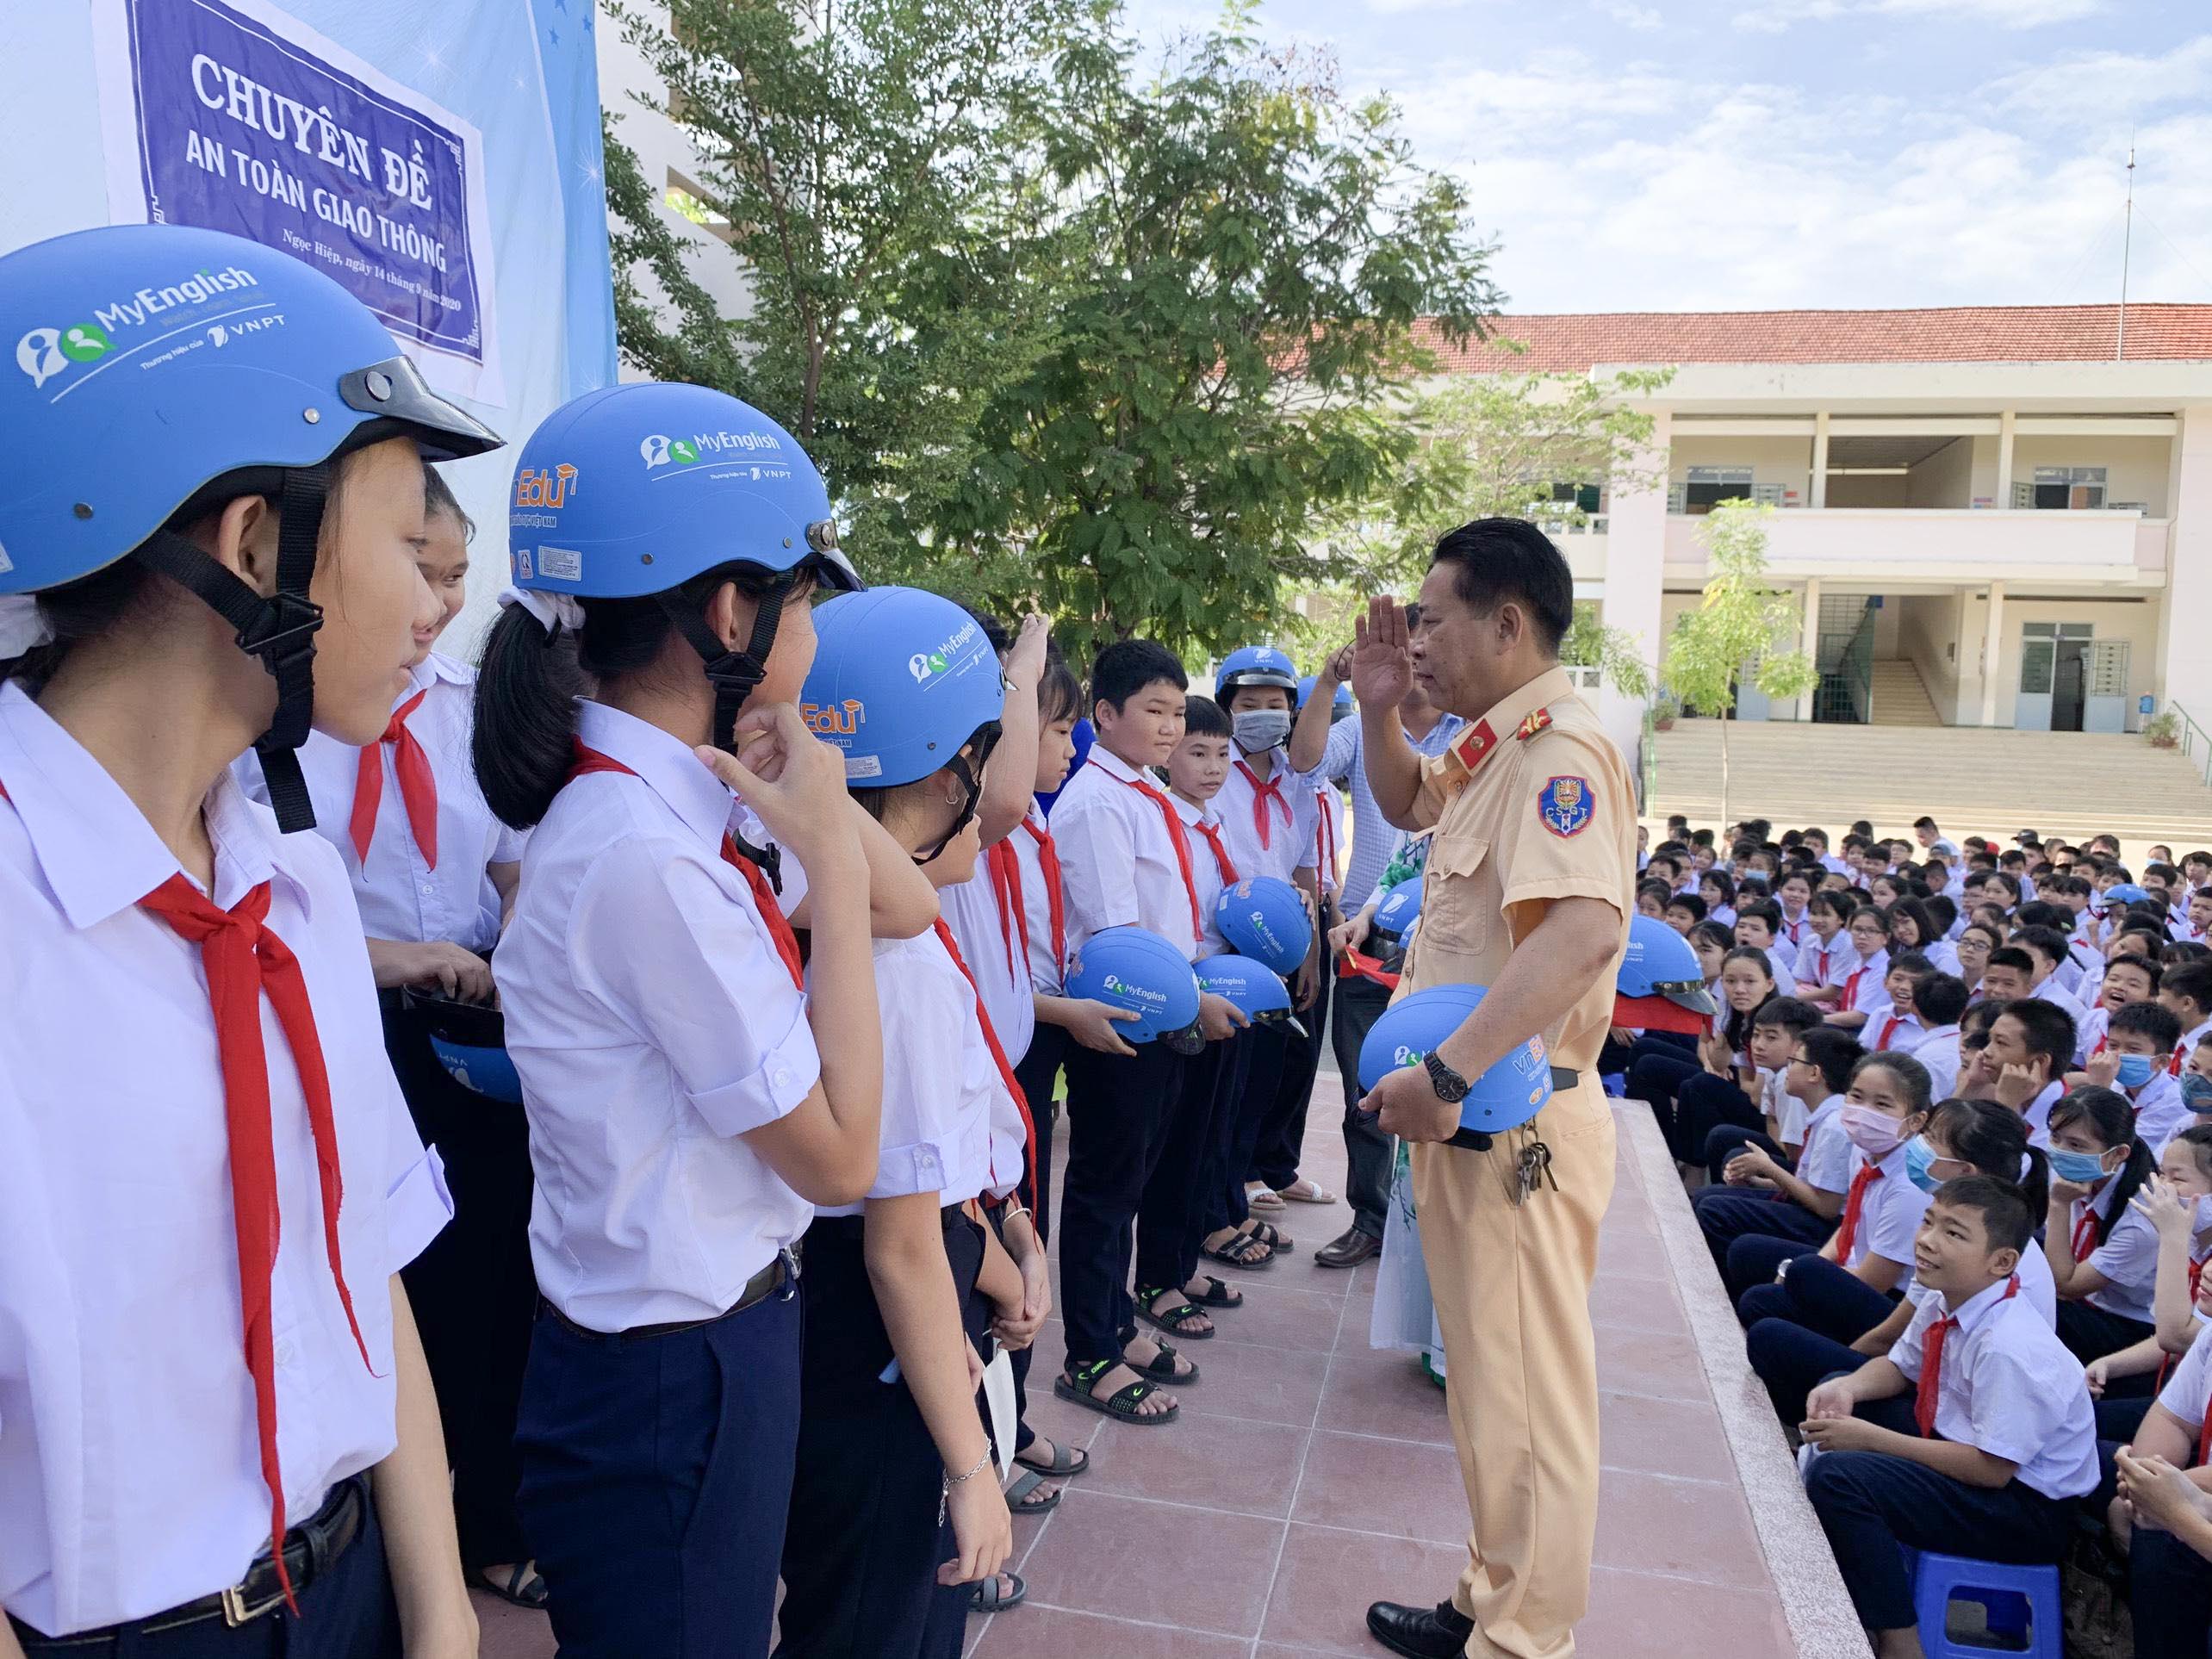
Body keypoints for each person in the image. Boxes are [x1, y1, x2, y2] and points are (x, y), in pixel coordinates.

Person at [0, 222, 503, 1656]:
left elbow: (364, 1260)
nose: (438, 603)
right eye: (413, 542)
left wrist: (440, 1612)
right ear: (254, 545)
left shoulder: (289, 886)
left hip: (336, 1588)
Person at [478, 381, 903, 1658]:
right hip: (674, 1376)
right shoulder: (643, 857)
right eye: (807, 597)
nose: (815, 631)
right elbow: (840, 1156)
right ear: (731, 611)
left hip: (693, 1354)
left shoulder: (662, 814)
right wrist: (827, 851)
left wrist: (816, 821)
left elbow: (914, 910)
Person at [233, 463, 541, 1606]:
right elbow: (269, 923)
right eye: (421, 564)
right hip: (354, 1023)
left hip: (472, 1037)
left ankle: (480, 1526)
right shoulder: (282, 720)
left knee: (485, 1283)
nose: (442, 599)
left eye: (458, 573)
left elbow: (509, 872)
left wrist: (520, 961)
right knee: (368, 1280)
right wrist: (400, 961)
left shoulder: (462, 712)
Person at [1350, 519, 1633, 1659]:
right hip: (1469, 1114)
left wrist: (1450, 1072)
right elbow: (1412, 799)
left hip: (1511, 1117)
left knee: (1529, 1399)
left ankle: (1525, 1638)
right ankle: (1489, 1592)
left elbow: (1582, 931)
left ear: (1507, 624)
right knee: (1488, 1385)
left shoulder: (1563, 750)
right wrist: (1377, 710)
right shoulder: (1493, 744)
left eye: (1432, 619)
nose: (1414, 639)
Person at [776, 586, 1021, 1656]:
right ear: (943, 766)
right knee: (880, 1616)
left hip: (842, 1332)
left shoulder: (827, 918)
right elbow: (903, 1250)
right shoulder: (896, 962)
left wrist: (1000, 1251)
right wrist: (970, 1469)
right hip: (884, 1351)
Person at [1049, 640, 1238, 1423]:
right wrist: (1189, 1001)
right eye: (1152, 712)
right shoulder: (1098, 803)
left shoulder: (1147, 794)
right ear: (1105, 715)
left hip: (1161, 1017)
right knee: (1103, 1190)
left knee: (1132, 1183)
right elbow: (1114, 935)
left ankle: (1119, 1324)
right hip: (1122, 1022)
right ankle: (1090, 1352)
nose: (1168, 728)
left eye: (1174, 710)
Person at [1799, 1177, 2098, 1658]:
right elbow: (1900, 1368)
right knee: (1843, 1385)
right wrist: (1846, 1388)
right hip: (1974, 1461)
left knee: (1841, 1477)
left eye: (1954, 1234)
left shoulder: (2010, 1346)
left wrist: (1872, 1440)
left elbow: (1991, 1469)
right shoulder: (1948, 1296)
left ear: (2001, 1262)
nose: (1928, 1240)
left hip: (2024, 1510)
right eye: (1928, 1221)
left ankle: (1901, 1641)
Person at [1289, 623, 1465, 1269]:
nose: (1417, 656)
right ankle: (1371, 1219)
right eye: (1406, 645)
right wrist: (1333, 682)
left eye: (1428, 644)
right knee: (1367, 1086)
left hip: (1446, 942)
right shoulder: (1364, 729)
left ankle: (1436, 1236)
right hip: (1362, 941)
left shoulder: (1473, 737)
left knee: (1449, 1087)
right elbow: (1303, 761)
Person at [1745, 1100, 2053, 1425]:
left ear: (1965, 1171)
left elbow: (1889, 1337)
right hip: (1924, 1355)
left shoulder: (1983, 1247)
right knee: (1784, 1291)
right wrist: (1848, 1376)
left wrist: (1842, 1368)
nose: (1918, 1142)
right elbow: (1907, 1338)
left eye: (1931, 1138)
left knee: (1777, 1337)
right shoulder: (1950, 1217)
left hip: (1951, 1398)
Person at [1208, 645, 1327, 1220]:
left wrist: (1308, 953)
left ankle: (1262, 1169)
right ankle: (1234, 1183)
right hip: (1226, 944)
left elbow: (1303, 865)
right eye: (1248, 703)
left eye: (1275, 704)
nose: (1262, 713)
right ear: (1227, 707)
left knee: (1277, 1068)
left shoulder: (1297, 780)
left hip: (1282, 944)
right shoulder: (1210, 769)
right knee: (1233, 1074)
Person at [2043, 1086, 2159, 1371]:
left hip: (2127, 1325)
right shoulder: (2076, 1177)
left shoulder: (2142, 1218)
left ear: (2118, 1153)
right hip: (2084, 1305)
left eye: (2076, 1145)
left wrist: (2059, 1206)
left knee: (2035, 1311)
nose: (2060, 1152)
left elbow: (2066, 1286)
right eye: (2056, 1138)